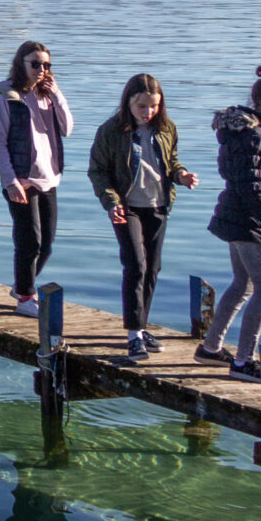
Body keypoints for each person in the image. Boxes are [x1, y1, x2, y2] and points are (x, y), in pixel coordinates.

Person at [196, 66, 261, 381]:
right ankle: (243, 362)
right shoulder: (257, 137)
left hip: (237, 216)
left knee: (244, 284)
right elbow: (256, 189)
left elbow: (248, 184)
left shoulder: (243, 131)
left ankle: (211, 348)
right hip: (247, 221)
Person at [86, 73, 200, 358]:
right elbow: (97, 171)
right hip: (127, 207)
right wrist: (111, 201)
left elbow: (171, 161)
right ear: (128, 102)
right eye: (142, 106)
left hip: (158, 205)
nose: (148, 112)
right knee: (136, 265)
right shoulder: (110, 131)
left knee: (152, 268)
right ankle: (134, 334)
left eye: (154, 106)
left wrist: (181, 175)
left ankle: (142, 325)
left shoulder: (166, 128)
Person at [0, 40, 75, 317]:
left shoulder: (48, 96)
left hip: (48, 178)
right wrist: (9, 180)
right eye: (35, 64)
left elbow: (68, 128)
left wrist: (58, 94)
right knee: (30, 241)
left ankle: (20, 285)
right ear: (21, 64)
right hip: (22, 180)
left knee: (47, 244)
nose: (41, 69)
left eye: (46, 65)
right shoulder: (7, 98)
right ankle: (26, 297)